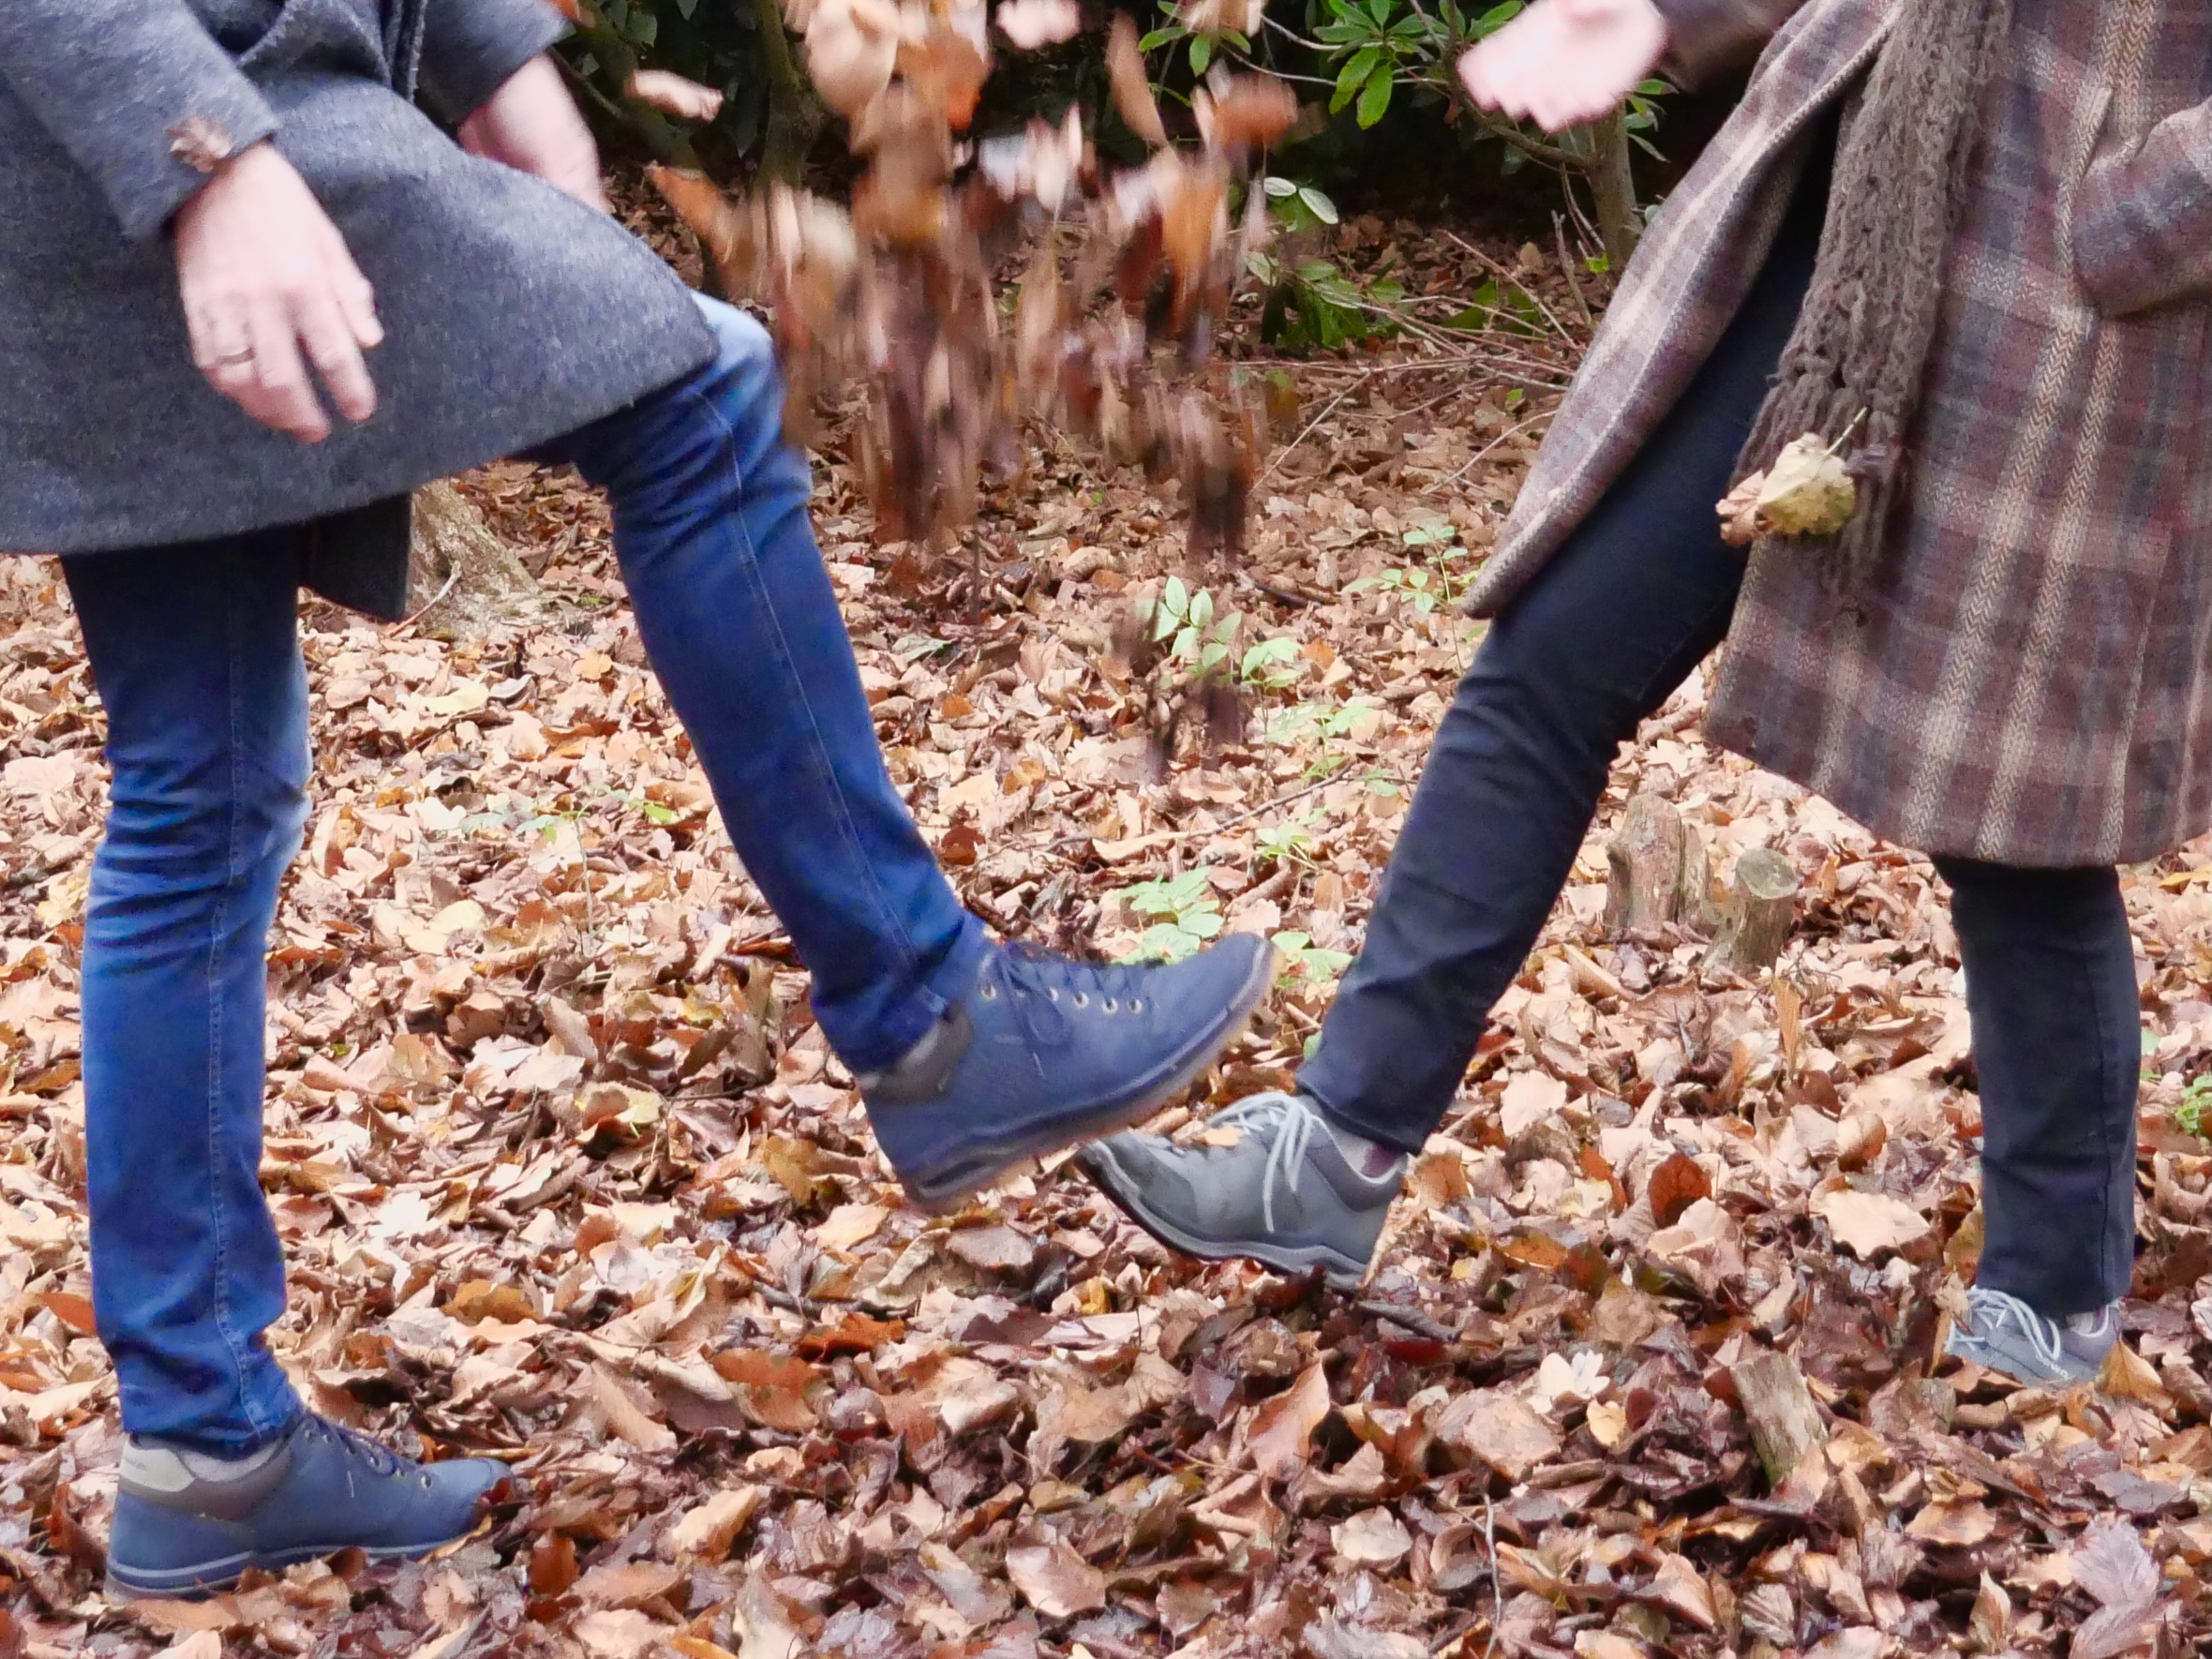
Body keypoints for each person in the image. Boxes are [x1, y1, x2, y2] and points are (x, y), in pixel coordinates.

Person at [1, 0, 1273, 1597]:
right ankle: (933, 1014)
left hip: (110, 162)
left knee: (203, 787)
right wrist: (207, 158)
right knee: (704, 389)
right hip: (205, 120)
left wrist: (494, 56)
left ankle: (204, 1440)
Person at [1080, 0, 2212, 1388]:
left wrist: (2141, 213)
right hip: (1847, 223)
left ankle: (2052, 1294)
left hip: (2062, 327)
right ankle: (1336, 1151)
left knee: (2017, 819)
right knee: (1553, 656)